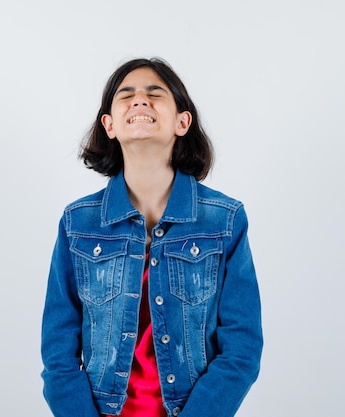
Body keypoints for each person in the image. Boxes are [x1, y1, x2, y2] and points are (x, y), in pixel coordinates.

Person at [40, 57, 263, 417]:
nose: (140, 100)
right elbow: (58, 352)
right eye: (126, 95)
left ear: (182, 121)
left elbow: (242, 349)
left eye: (154, 94)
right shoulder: (77, 222)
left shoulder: (224, 220)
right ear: (109, 125)